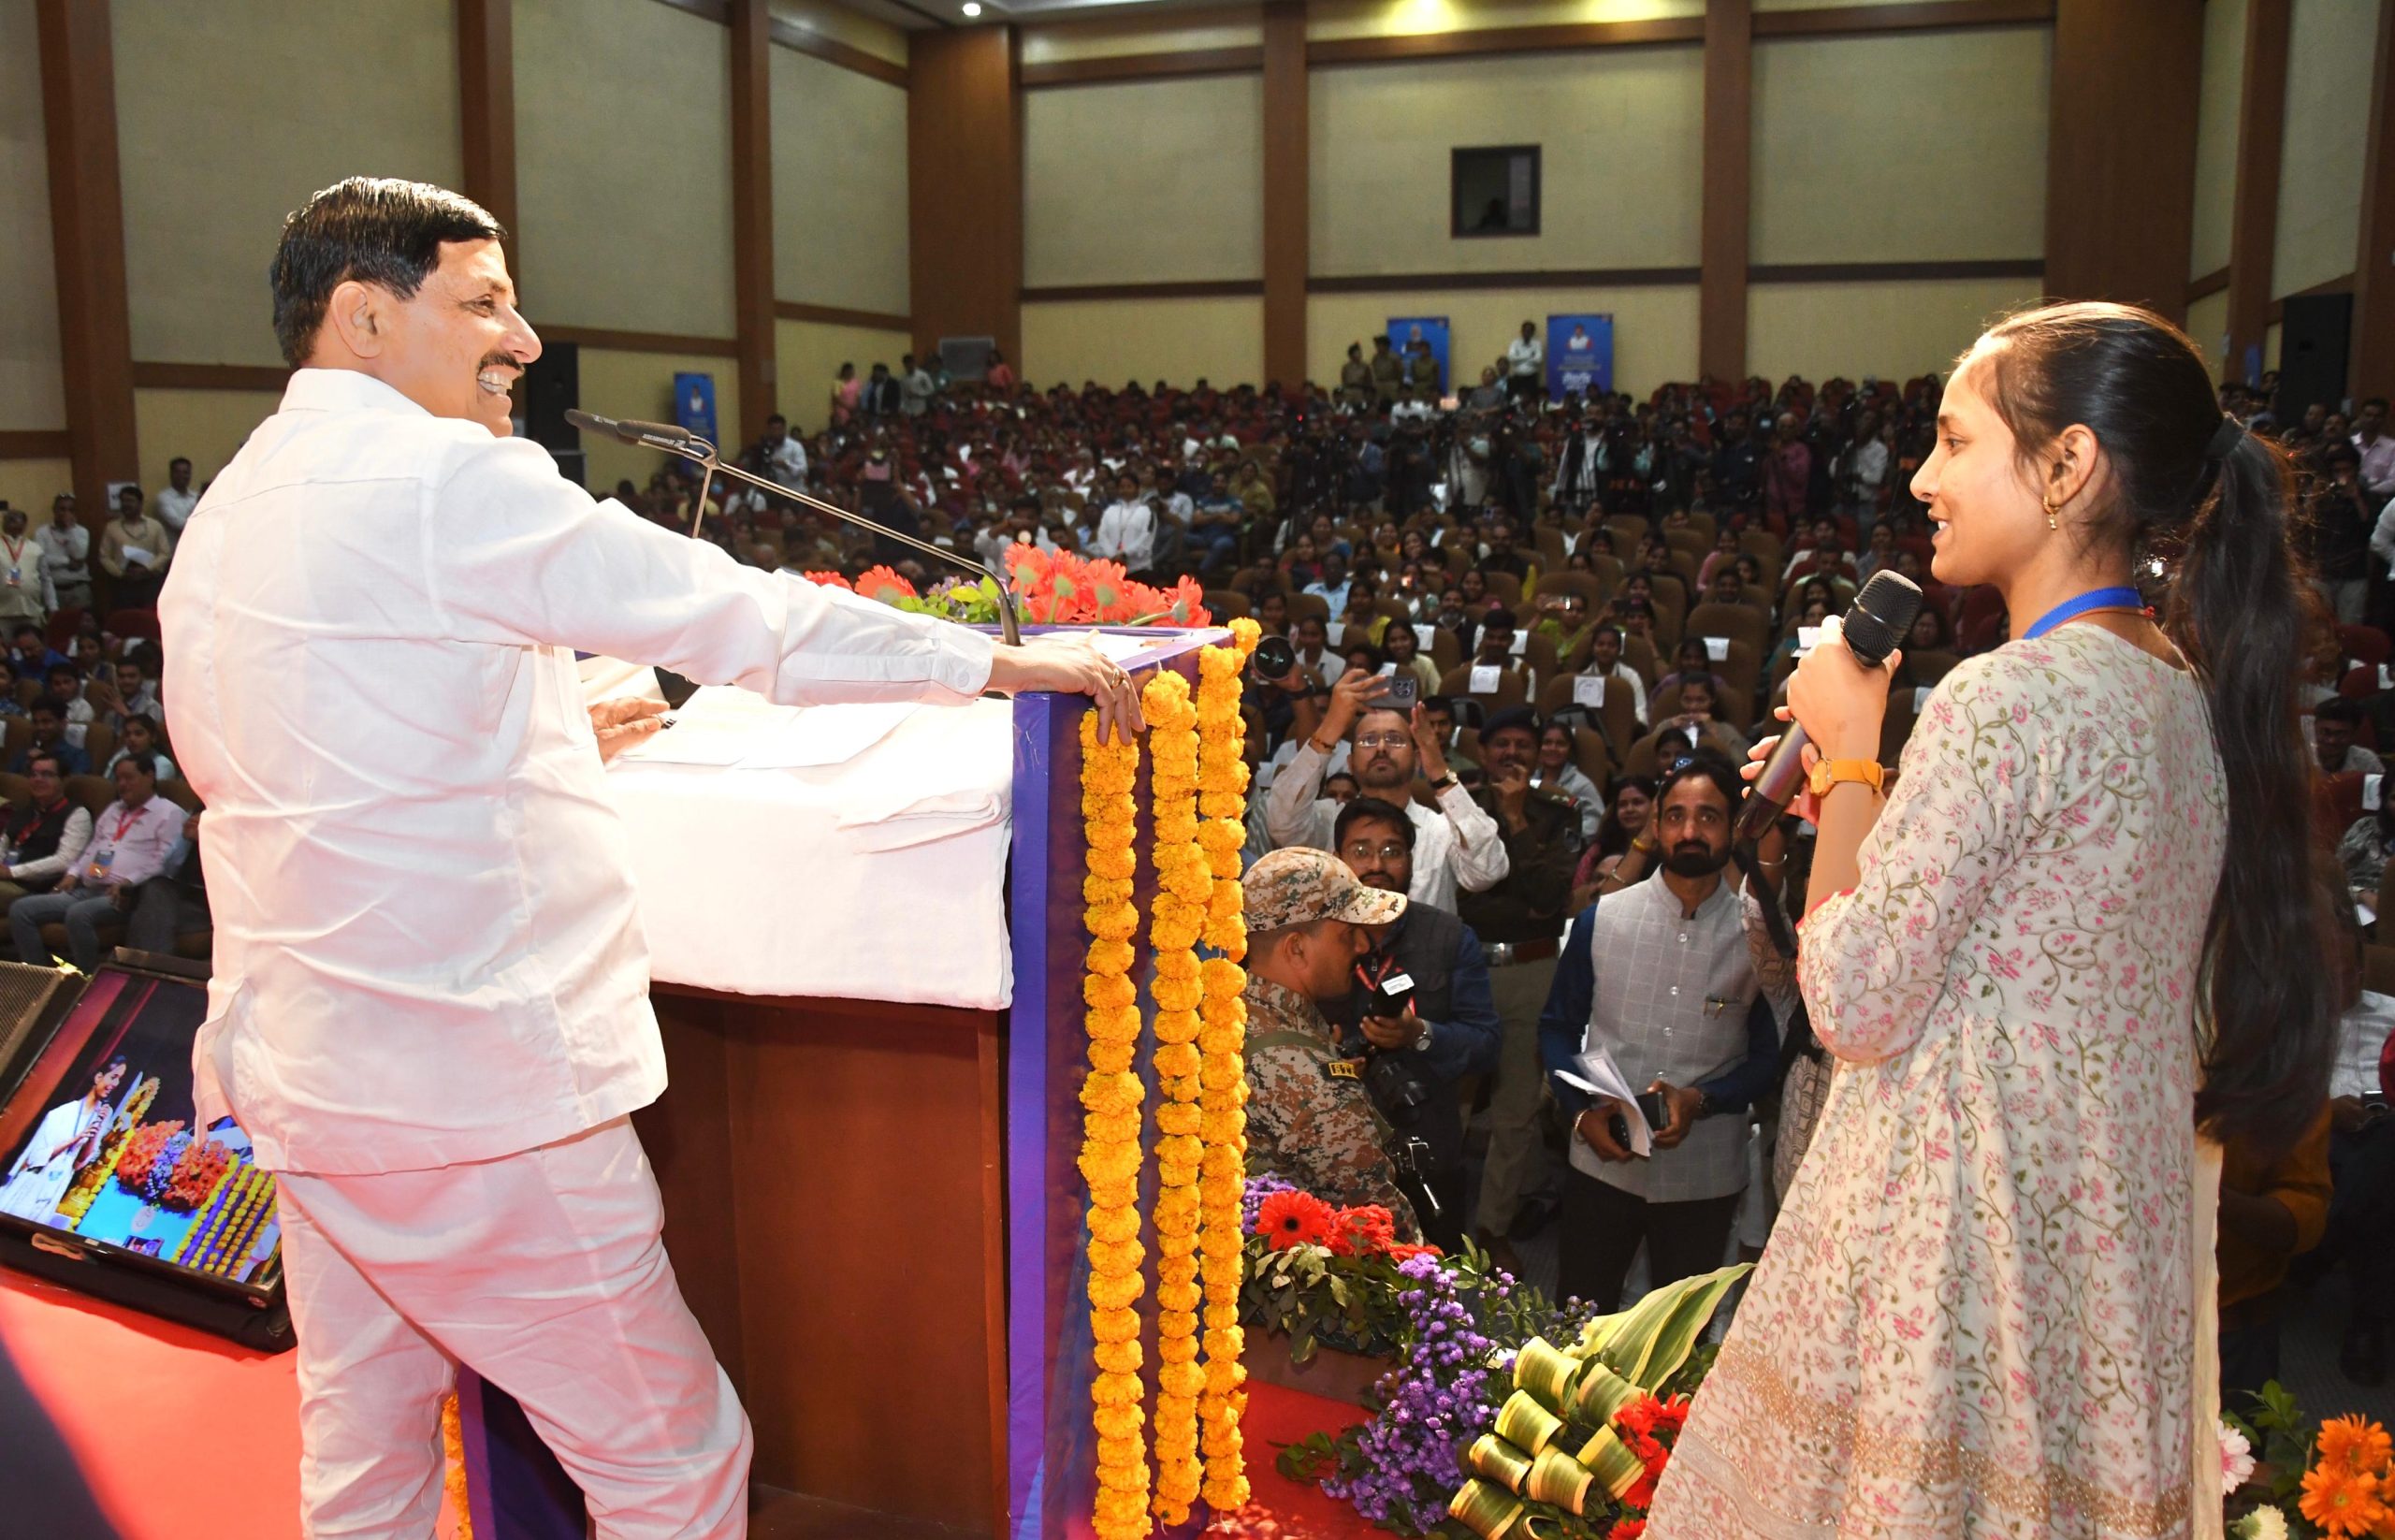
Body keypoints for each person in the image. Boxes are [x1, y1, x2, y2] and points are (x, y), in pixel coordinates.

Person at [154, 176, 1139, 1540]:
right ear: (364, 318)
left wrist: (558, 719)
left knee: (366, 1450)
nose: (525, 340)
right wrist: (988, 661)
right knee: (672, 1461)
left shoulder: (233, 501)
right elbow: (729, 612)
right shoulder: (443, 477)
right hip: (467, 1096)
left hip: (308, 1077)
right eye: (484, 303)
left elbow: (318, 746)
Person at [1647, 302, 2336, 1540]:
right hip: (2098, 1223)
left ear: (2068, 464)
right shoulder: (2181, 695)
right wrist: (1858, 795)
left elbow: (1854, 1001)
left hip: (1960, 1218)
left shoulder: (2002, 700)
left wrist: (1851, 753)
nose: (1923, 478)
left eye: (1956, 441)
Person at [1537, 752, 1781, 1308]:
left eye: (1708, 816)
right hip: (1603, 1161)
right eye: (1675, 816)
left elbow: (1767, 1059)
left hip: (1705, 1172)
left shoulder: (1757, 935)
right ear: (1657, 826)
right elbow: (1557, 1028)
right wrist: (1580, 1113)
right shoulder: (1604, 919)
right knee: (1578, 1323)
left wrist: (1703, 1099)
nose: (1690, 831)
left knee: (1679, 1335)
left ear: (1734, 828)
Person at [1323, 797, 1501, 1250]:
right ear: (1337, 858)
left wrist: (1419, 1034)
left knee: (1436, 1275)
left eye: (1392, 851)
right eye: (1360, 851)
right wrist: (1324, 1052)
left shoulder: (1449, 936)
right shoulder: (1313, 934)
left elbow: (1487, 1044)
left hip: (1427, 1138)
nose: (1376, 864)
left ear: (1411, 859)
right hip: (1331, 1146)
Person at [1239, 847, 1420, 1239]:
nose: (1362, 946)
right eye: (1347, 934)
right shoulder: (1310, 1078)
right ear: (1297, 948)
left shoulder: (1228, 1013)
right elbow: (1380, 1230)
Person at [1460, 707, 1586, 1249]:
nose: (1511, 753)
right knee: (1453, 1103)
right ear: (1483, 752)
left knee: (1516, 1111)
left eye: (1523, 745)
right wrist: (1519, 903)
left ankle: (1492, 1229)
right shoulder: (1460, 807)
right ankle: (1432, 1223)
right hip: (1466, 967)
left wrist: (1515, 820)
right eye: (1501, 744)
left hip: (1532, 970)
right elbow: (1466, 899)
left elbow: (1550, 899)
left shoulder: (1560, 812)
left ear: (1539, 755)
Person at [1265, 669, 1509, 910]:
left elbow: (1489, 871)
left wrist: (1438, 770)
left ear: (1417, 760)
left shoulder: (1442, 830)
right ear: (1350, 763)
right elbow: (1281, 822)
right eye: (1368, 740)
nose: (1381, 747)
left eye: (1395, 739)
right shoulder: (1328, 820)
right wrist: (1332, 725)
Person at [10, 753, 186, 972]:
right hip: (87, 888)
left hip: (125, 896)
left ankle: (89, 979)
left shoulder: (169, 813)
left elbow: (165, 863)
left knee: (79, 914)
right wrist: (73, 873)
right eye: (118, 779)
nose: (122, 784)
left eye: (129, 778)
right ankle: (39, 975)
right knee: (21, 909)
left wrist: (129, 882)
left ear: (150, 776)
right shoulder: (114, 809)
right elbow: (92, 847)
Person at [0, 1059, 123, 1226]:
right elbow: (35, 1158)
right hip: (32, 1186)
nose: (115, 1084)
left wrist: (97, 1128)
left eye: (119, 1080)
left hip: (57, 1186)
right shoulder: (61, 1114)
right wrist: (77, 1138)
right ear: (98, 1077)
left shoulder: (101, 1116)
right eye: (113, 1077)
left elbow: (79, 1163)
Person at [0, 752, 93, 922]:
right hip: (6, 877)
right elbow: (4, 842)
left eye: (47, 774)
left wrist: (12, 872)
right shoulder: (27, 809)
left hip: (35, 886)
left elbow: (65, 860)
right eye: (33, 774)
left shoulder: (78, 815)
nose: (38, 779)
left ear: (63, 780)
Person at [98, 486, 173, 607]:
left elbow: (165, 553)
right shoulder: (111, 528)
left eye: (130, 501)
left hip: (150, 582)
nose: (126, 504)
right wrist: (121, 573)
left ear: (140, 503)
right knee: (126, 617)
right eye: (123, 501)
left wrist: (147, 569)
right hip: (123, 584)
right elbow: (104, 556)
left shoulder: (155, 526)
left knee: (150, 615)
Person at [1531, 720, 1604, 840]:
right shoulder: (1530, 780)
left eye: (1560, 744)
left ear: (1569, 748)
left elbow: (1595, 825)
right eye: (1547, 743)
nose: (1553, 748)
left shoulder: (1581, 785)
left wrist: (1562, 840)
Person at [0, 504, 56, 632]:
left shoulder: (35, 549)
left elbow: (46, 579)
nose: (13, 523)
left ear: (24, 525)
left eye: (17, 519)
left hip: (32, 611)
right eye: (10, 519)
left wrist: (52, 606)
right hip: (3, 612)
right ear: (3, 523)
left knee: (33, 642)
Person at [37, 494, 91, 615]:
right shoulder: (42, 532)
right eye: (62, 509)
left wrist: (70, 529)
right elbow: (42, 560)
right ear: (54, 510)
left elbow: (79, 555)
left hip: (78, 589)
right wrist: (66, 561)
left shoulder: (82, 532)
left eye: (71, 510)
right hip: (54, 591)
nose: (66, 513)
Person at [8, 698, 88, 777]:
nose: (40, 727)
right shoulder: (25, 755)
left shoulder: (77, 757)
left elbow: (73, 784)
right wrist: (27, 768)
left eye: (46, 722)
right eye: (35, 722)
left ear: (63, 723)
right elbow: (9, 781)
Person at [2314, 695, 2384, 777]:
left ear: (2354, 734)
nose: (2332, 740)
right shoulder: (2302, 759)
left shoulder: (2365, 761)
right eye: (2325, 732)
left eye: (2340, 734)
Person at [100, 713, 175, 782]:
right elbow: (106, 783)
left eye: (138, 734)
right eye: (127, 734)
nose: (131, 739)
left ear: (153, 737)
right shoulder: (122, 754)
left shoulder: (163, 765)